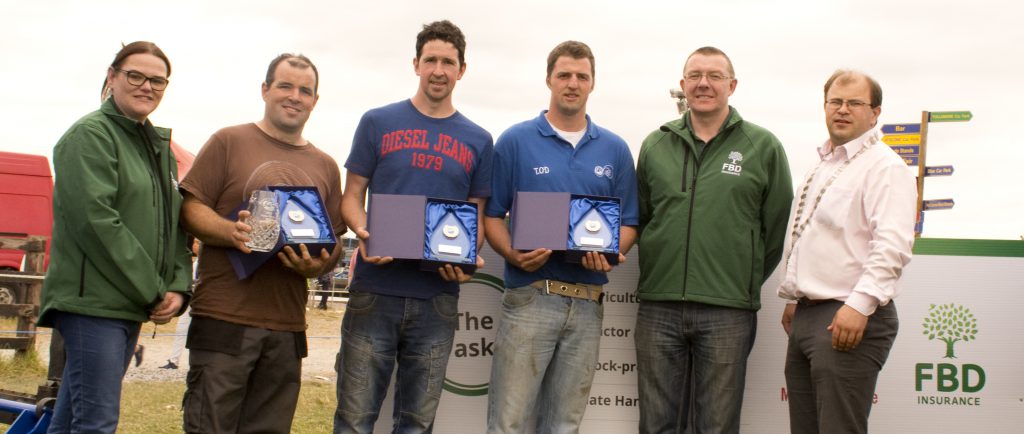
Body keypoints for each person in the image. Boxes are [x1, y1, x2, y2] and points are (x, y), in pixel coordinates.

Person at [333, 20, 493, 434]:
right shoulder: (377, 121)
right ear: (416, 65)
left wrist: (470, 256)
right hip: (375, 290)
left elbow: (473, 216)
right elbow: (351, 197)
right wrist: (365, 233)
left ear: (462, 70)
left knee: (417, 424)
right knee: (354, 420)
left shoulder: (478, 140)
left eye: (448, 62)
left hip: (437, 297)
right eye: (431, 60)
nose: (439, 70)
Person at [179, 53, 344, 433]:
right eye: (285, 86)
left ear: (315, 101)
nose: (294, 96)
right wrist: (230, 232)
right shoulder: (228, 141)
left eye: (305, 90)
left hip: (287, 326)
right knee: (209, 426)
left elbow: (334, 241)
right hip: (224, 317)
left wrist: (317, 266)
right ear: (265, 90)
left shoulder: (325, 165)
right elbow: (190, 208)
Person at [634, 46, 793, 434]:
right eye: (695, 75)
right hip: (660, 306)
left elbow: (773, 230)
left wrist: (740, 279)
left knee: (717, 426)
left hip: (727, 310)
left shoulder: (763, 147)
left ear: (732, 85)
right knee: (655, 424)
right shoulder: (655, 145)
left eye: (715, 76)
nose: (704, 83)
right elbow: (642, 219)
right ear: (683, 85)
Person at [484, 40, 639, 434]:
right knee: (509, 422)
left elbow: (630, 222)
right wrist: (512, 254)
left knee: (564, 426)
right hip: (531, 293)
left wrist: (610, 253)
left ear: (592, 84)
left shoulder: (615, 149)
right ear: (549, 80)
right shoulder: (516, 141)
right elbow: (492, 216)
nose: (573, 83)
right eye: (565, 75)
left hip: (587, 303)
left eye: (581, 76)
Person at [37, 40, 191, 433]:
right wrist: (153, 288)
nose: (147, 86)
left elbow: (173, 222)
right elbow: (97, 223)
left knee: (71, 419)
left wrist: (177, 284)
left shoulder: (158, 148)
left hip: (128, 303)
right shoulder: (89, 136)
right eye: (135, 76)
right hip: (93, 304)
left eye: (158, 80)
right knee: (96, 422)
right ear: (112, 77)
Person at [778, 70, 915, 434]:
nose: (843, 109)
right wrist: (794, 296)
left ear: (875, 113)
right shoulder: (824, 164)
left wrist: (859, 305)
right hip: (810, 314)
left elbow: (892, 246)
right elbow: (812, 236)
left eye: (855, 103)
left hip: (849, 316)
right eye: (835, 101)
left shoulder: (885, 166)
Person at [161, 236, 200, 370]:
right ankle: (173, 360)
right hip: (190, 302)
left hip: (200, 303)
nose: (194, 246)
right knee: (181, 330)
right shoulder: (194, 263)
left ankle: (193, 362)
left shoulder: (206, 265)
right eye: (194, 243)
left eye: (197, 243)